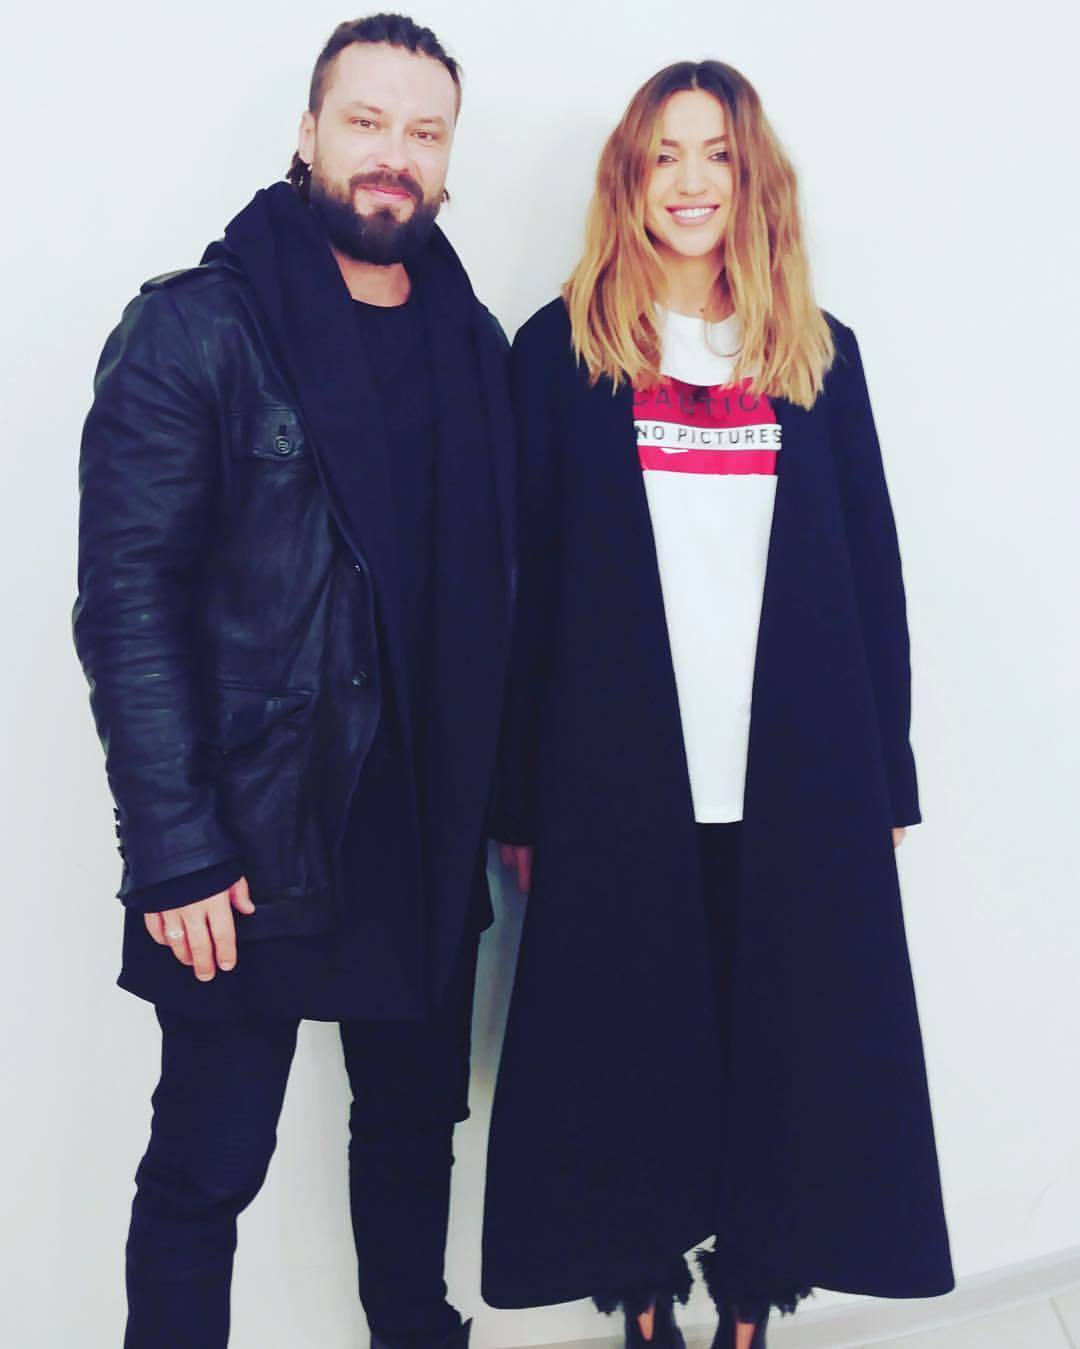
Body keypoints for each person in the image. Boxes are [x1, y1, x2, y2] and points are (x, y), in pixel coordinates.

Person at [482, 60, 954, 1349]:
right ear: (629, 178)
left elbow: (872, 575)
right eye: (665, 155)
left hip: (794, 779)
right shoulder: (561, 352)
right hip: (614, 779)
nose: (691, 183)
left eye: (718, 156)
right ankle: (644, 1298)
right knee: (627, 1049)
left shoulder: (815, 354)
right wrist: (517, 799)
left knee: (784, 1051)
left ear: (755, 180)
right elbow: (522, 592)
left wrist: (888, 778)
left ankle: (751, 1300)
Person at [72, 14, 514, 1348]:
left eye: (424, 132)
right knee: (207, 1165)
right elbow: (128, 605)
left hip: (421, 826)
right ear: (310, 133)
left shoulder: (475, 341)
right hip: (246, 832)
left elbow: (498, 598)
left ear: (448, 159)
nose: (394, 154)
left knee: (414, 1131)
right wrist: (174, 848)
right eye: (366, 121)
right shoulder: (193, 328)